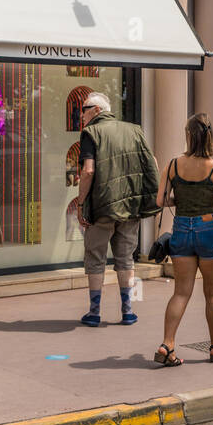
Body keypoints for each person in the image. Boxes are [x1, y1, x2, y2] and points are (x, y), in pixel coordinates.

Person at [152, 114, 213, 367]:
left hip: (181, 228)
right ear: (210, 136)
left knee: (180, 292)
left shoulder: (173, 165)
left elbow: (160, 201)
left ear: (188, 135)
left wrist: (180, 200)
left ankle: (167, 344)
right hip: (209, 228)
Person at [75, 92, 160, 327]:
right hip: (130, 206)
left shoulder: (91, 132)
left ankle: (94, 312)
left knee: (95, 258)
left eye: (84, 109)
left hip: (102, 206)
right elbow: (152, 163)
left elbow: (88, 171)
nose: (81, 114)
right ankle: (128, 311)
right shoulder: (134, 130)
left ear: (96, 111)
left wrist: (81, 203)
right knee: (125, 260)